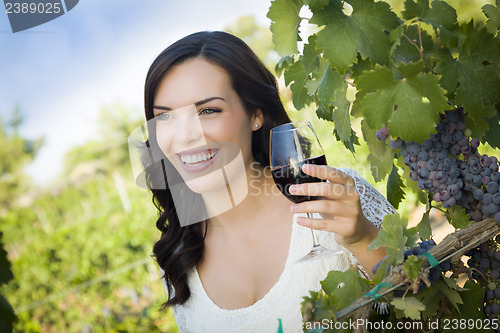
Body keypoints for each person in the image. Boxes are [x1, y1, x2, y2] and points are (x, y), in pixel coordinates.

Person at [141, 31, 394, 332]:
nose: (185, 136)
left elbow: (430, 312)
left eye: (208, 110)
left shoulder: (335, 200)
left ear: (255, 115)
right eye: (165, 117)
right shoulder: (177, 258)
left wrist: (363, 239)